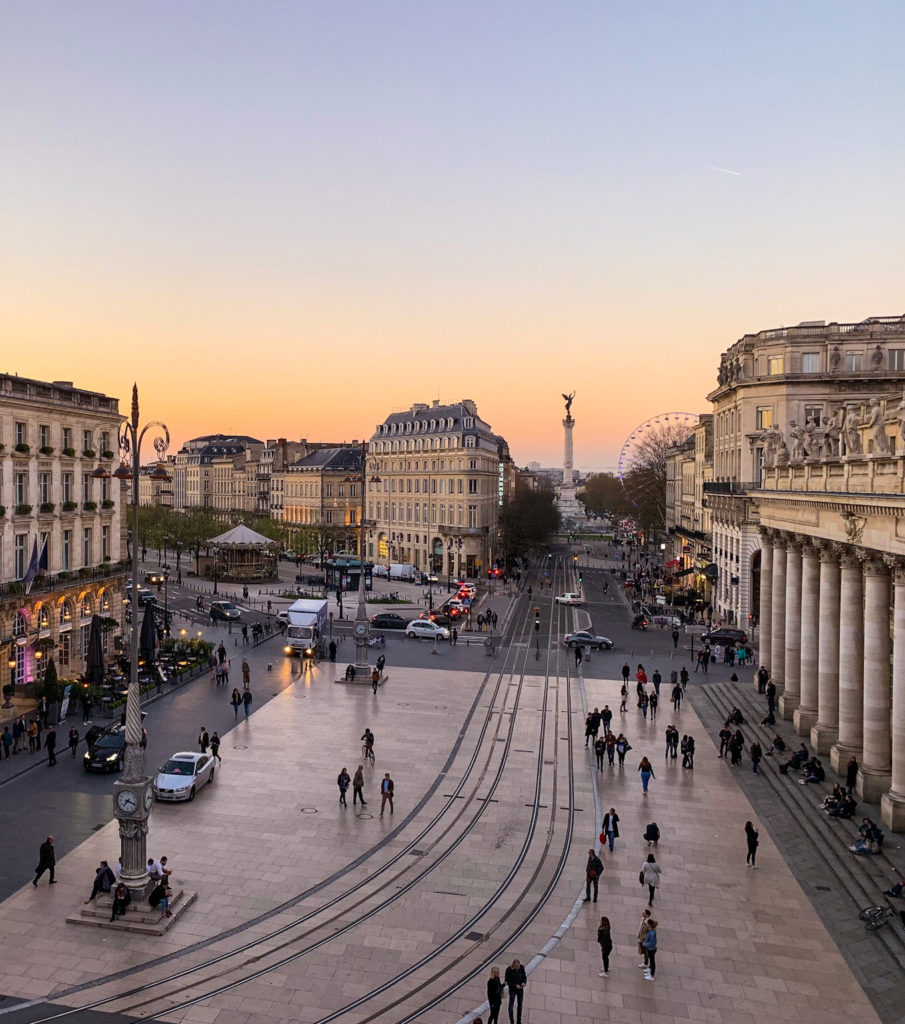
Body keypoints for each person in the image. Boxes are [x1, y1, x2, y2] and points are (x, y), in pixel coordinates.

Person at [504, 958, 526, 1024]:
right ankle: (512, 1021)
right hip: (513, 990)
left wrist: (524, 982)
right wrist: (515, 985)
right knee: (511, 1006)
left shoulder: (522, 968)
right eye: (516, 967)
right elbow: (507, 982)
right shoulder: (509, 970)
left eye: (518, 966)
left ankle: (519, 1021)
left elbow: (524, 977)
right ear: (513, 964)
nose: (517, 968)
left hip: (520, 990)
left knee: (520, 1005)